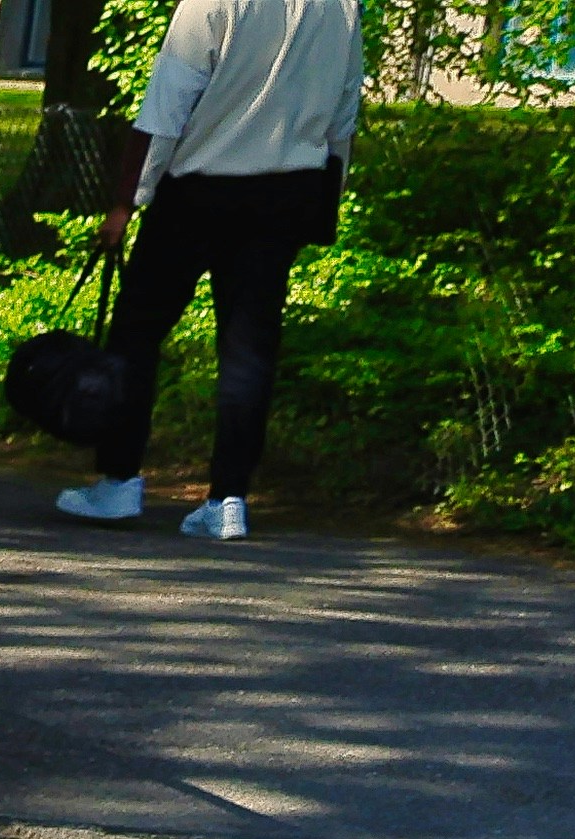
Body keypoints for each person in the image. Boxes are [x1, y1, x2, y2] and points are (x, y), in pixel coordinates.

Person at [58, 0, 362, 539]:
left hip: (199, 189)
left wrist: (128, 202)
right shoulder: (341, 6)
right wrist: (324, 204)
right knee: (250, 348)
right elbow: (344, 111)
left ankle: (119, 480)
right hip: (289, 189)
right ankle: (228, 498)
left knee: (137, 331)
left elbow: (164, 110)